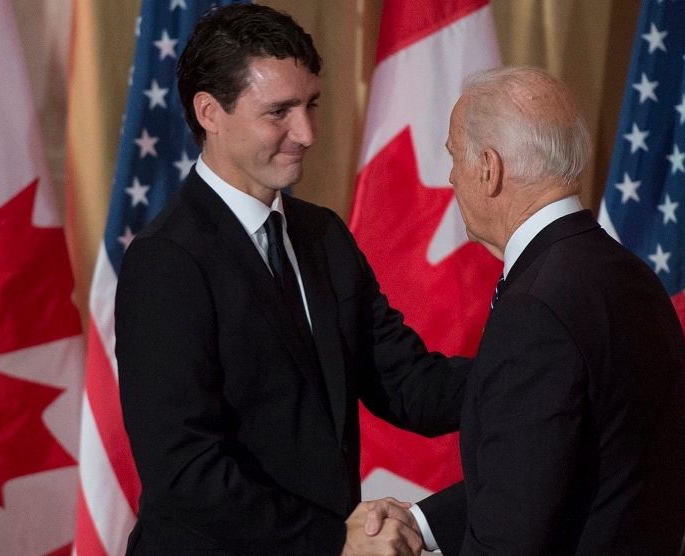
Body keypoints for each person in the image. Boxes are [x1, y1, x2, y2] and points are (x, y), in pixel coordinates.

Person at [114, 4, 464, 555]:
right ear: (210, 112)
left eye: (311, 106)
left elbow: (407, 385)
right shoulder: (167, 262)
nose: (306, 132)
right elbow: (184, 472)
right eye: (279, 112)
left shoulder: (322, 234)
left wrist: (534, 371)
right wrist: (331, 541)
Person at [369, 66, 685, 555]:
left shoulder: (535, 310)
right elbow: (560, 471)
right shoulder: (630, 275)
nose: (453, 178)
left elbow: (508, 539)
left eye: (455, 158)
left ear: (489, 167)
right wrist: (422, 522)